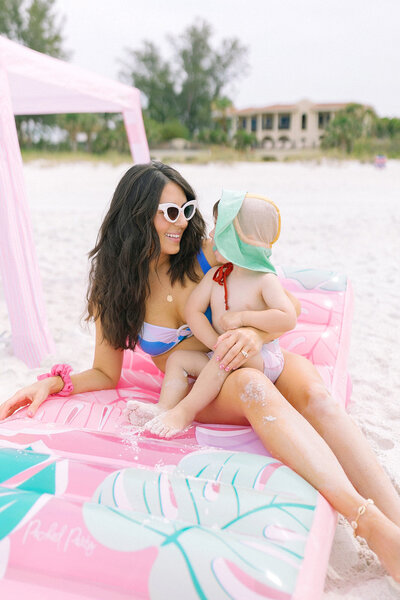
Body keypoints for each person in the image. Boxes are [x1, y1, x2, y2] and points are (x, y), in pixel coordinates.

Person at [1, 161, 399, 582]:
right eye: (169, 213)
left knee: (319, 399)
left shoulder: (204, 257)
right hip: (206, 384)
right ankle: (368, 524)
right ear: (137, 217)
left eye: (186, 210)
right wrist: (54, 381)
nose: (181, 223)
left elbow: (289, 307)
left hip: (256, 353)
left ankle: (394, 515)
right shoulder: (116, 291)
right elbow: (104, 373)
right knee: (250, 385)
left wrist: (252, 333)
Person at [129, 190, 296, 438]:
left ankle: (184, 413)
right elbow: (193, 311)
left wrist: (244, 320)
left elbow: (287, 317)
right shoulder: (216, 277)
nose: (210, 234)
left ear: (240, 239)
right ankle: (163, 407)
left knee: (222, 357)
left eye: (218, 228)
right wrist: (213, 341)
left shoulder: (264, 280)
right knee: (179, 360)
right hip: (223, 351)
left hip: (261, 357)